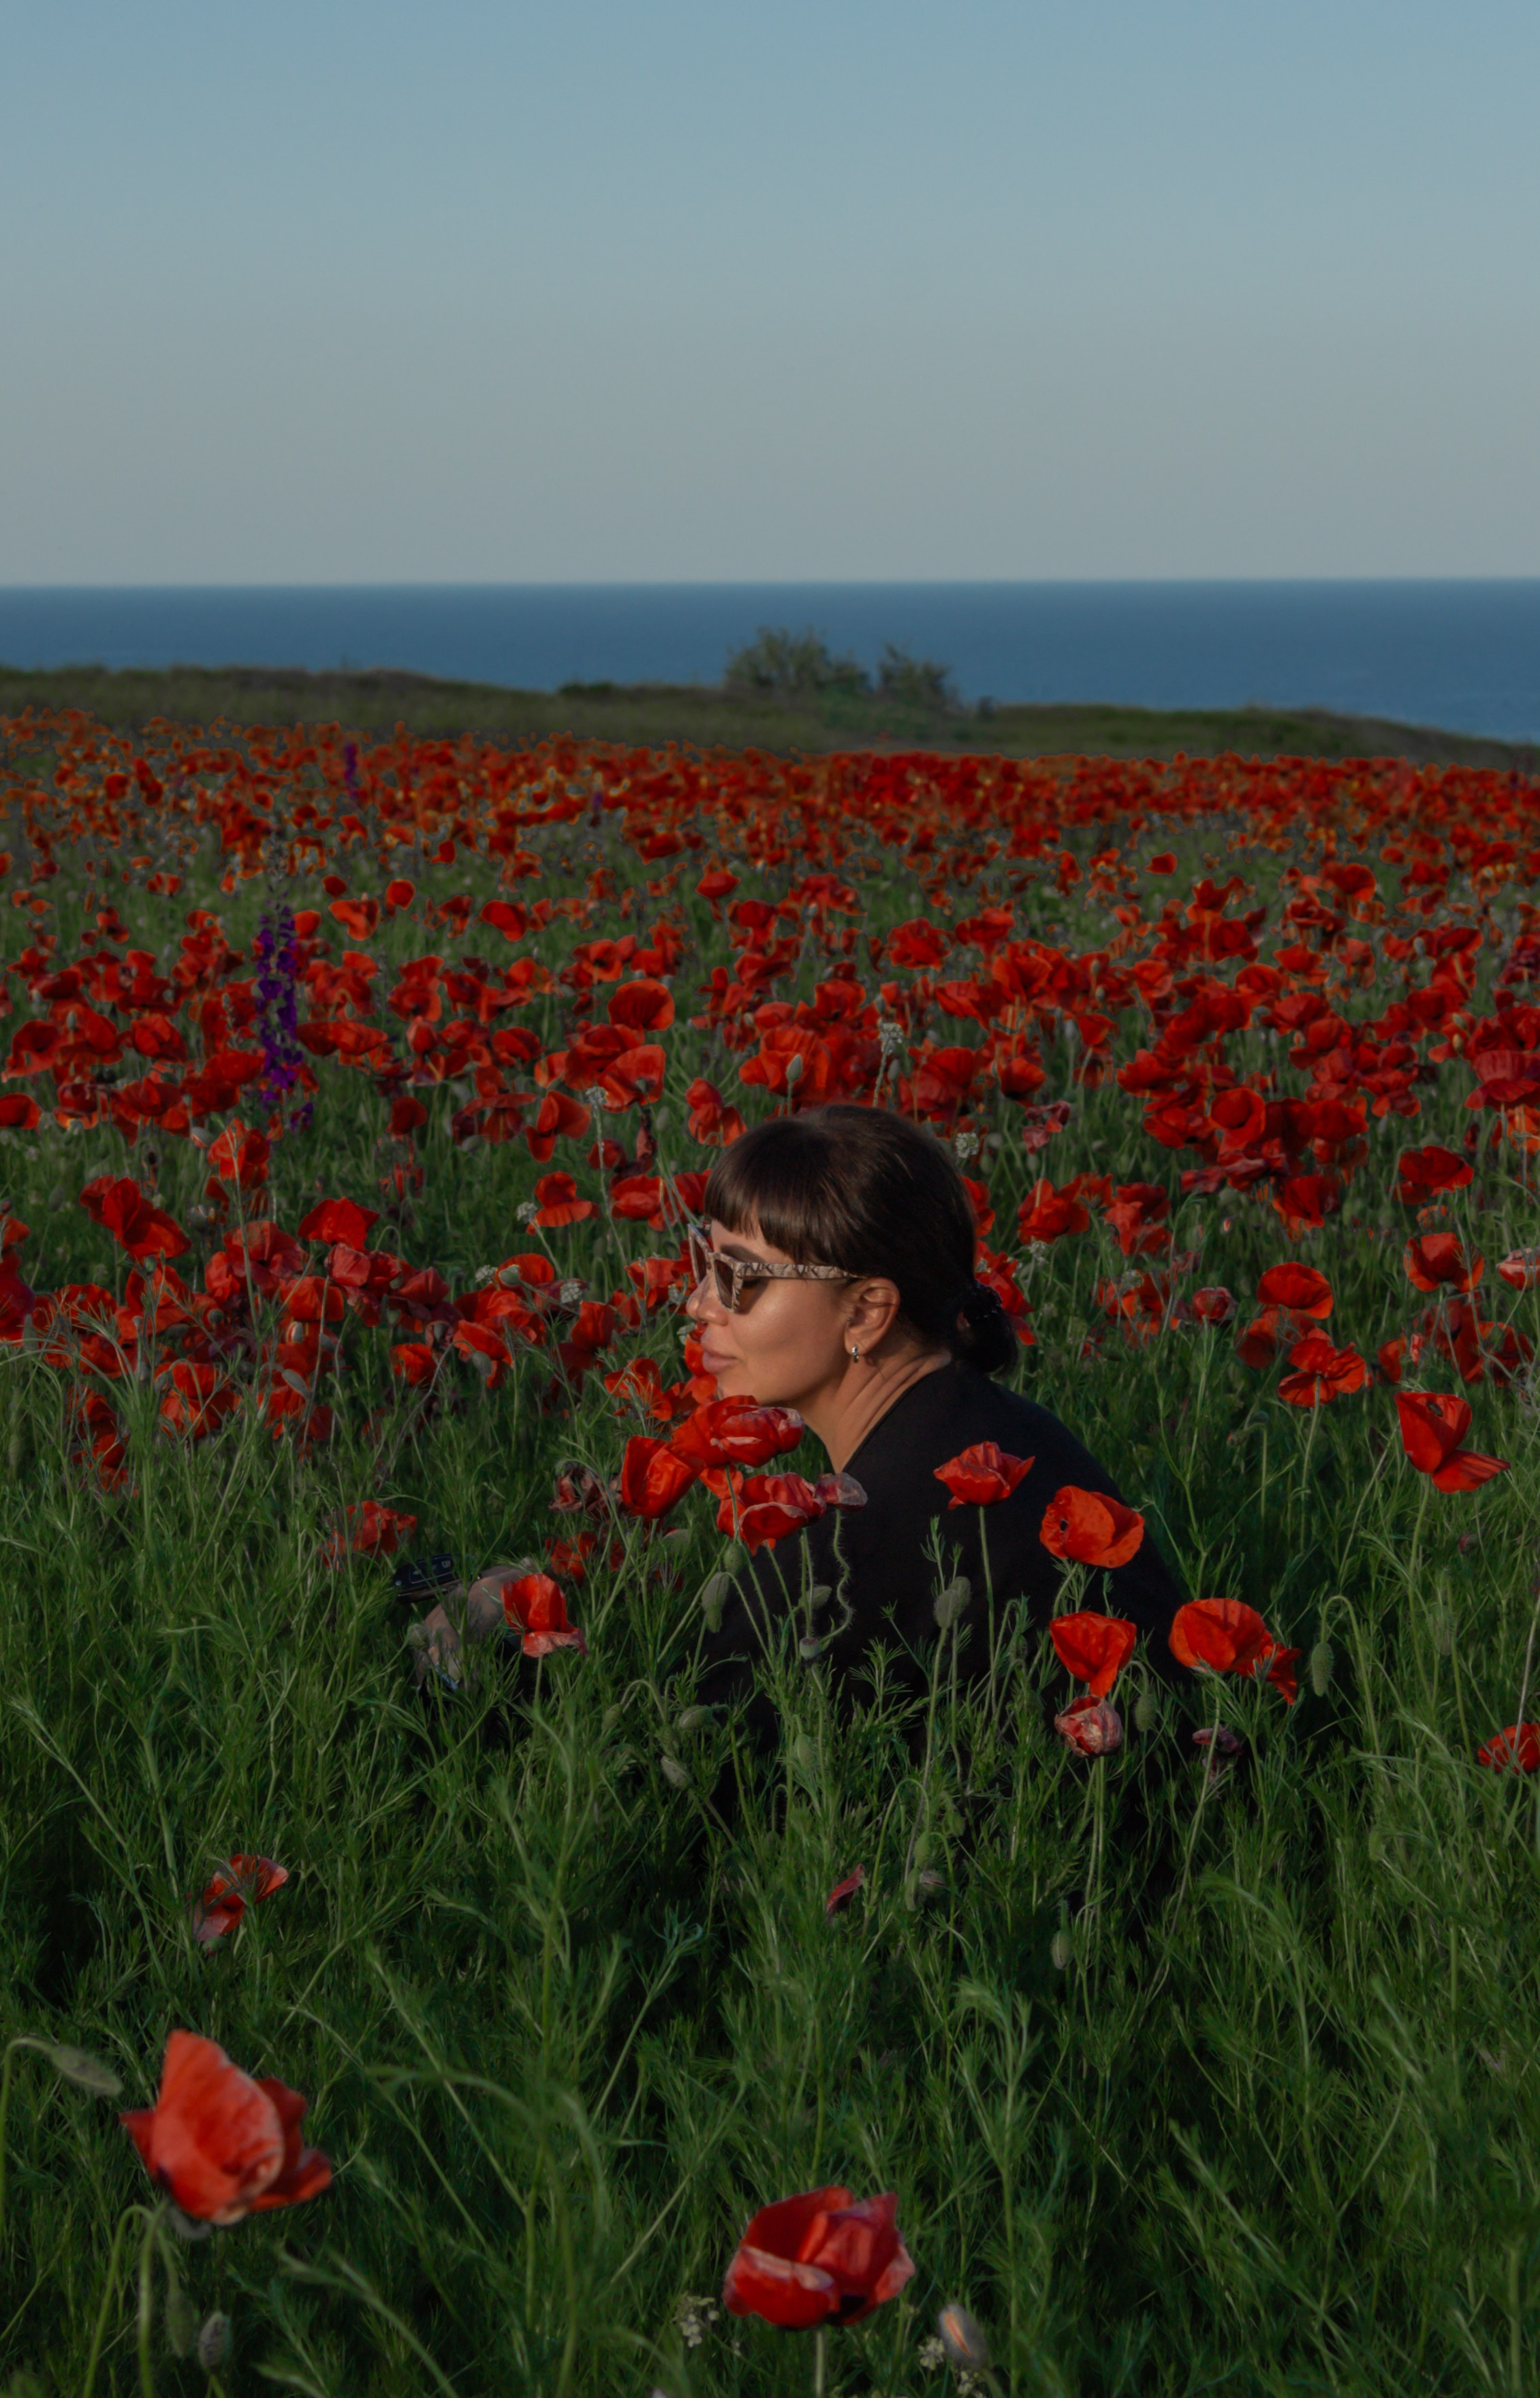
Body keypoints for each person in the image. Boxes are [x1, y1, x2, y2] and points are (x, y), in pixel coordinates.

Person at [685, 1103, 1186, 1719]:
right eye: (704, 1261)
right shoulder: (1015, 1430)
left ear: (866, 1312)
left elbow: (703, 1741)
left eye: (737, 1276)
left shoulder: (846, 1546)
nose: (699, 1303)